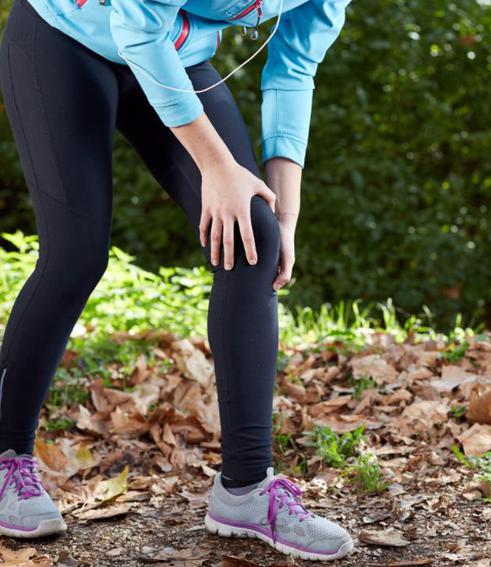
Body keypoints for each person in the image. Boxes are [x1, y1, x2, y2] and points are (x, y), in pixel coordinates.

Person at [0, 0, 354, 560]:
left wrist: (285, 216)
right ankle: (5, 457)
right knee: (75, 256)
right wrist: (216, 168)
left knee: (253, 239)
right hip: (64, 36)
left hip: (175, 56)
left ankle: (245, 488)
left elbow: (293, 69)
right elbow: (135, 28)